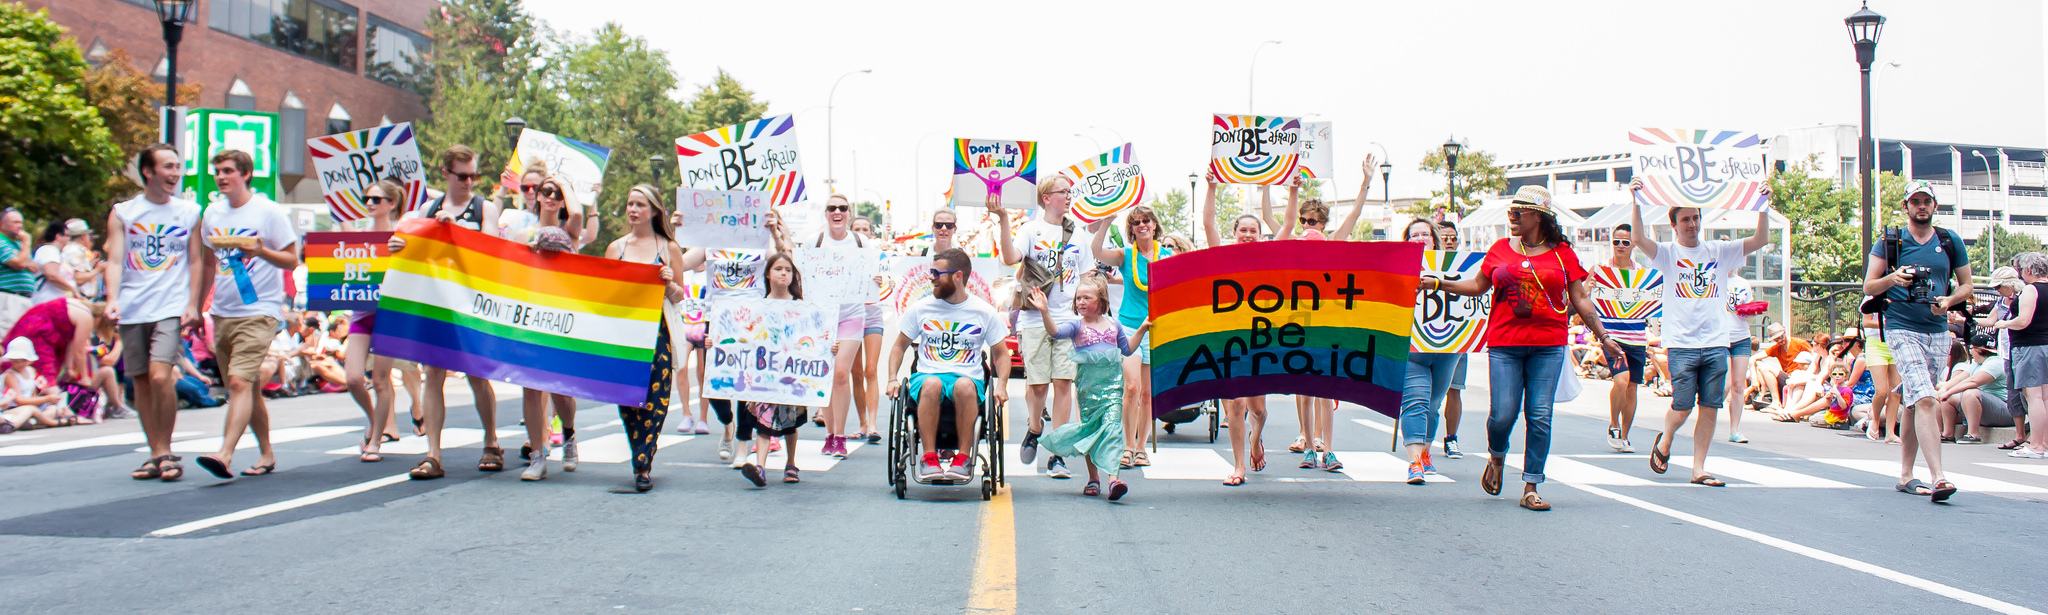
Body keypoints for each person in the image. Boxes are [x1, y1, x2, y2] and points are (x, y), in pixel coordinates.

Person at [1428, 186, 1621, 511]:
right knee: (1502, 414)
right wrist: (1438, 283)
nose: (1512, 217)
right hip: (1505, 344)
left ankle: (1531, 484)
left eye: (1520, 212)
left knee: (1540, 415)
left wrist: (1603, 335)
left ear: (1539, 216)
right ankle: (1497, 456)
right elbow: (1478, 285)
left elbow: (1580, 298)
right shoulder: (1500, 249)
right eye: (1510, 211)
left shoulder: (1562, 254)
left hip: (1549, 346)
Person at [1631, 178, 1772, 487]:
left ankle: (1699, 468)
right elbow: (1638, 238)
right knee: (1681, 408)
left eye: (1695, 218)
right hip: (1681, 344)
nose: (1692, 224)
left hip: (1715, 342)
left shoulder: (1718, 251)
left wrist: (1763, 205)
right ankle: (1666, 438)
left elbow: (1760, 239)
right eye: (1685, 219)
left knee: (1709, 407)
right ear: (1674, 225)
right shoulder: (1667, 253)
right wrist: (1637, 199)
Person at [191, 149, 301, 480]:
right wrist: (197, 309)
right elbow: (208, 263)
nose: (221, 177)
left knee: (238, 383)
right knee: (247, 388)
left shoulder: (268, 212)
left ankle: (224, 454)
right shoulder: (212, 213)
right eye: (217, 172)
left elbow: (292, 260)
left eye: (227, 171)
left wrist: (261, 250)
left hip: (260, 310)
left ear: (246, 174)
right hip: (223, 312)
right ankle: (266, 453)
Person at [1863, 180, 1970, 501]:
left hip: (1937, 329)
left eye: (1927, 201)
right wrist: (1893, 279)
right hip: (1901, 325)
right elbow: (1869, 286)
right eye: (1915, 201)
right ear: (1906, 207)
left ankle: (1906, 474)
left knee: (1914, 398)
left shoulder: (1950, 241)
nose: (1921, 206)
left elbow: (1967, 286)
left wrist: (1949, 301)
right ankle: (1939, 477)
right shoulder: (1891, 241)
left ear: (1935, 206)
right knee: (1925, 398)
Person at [108, 143, 205, 482]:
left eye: (177, 166)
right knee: (141, 383)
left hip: (171, 306)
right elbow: (116, 259)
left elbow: (196, 260)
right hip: (133, 307)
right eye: (167, 166)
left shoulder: (190, 212)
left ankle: (165, 449)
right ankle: (155, 453)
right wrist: (111, 299)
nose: (175, 173)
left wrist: (193, 304)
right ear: (148, 172)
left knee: (162, 376)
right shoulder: (124, 212)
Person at [991, 177, 1091, 478]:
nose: (1068, 196)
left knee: (1064, 383)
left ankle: (1057, 453)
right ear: (1046, 198)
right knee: (1037, 385)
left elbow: (1086, 274)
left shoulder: (1078, 232)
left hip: (1067, 318)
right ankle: (1035, 428)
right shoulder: (1031, 230)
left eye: (1069, 192)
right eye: (1063, 192)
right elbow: (1010, 259)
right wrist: (1004, 219)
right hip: (1035, 316)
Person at [886, 248, 1011, 481]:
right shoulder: (921, 308)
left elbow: (1001, 354)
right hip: (927, 374)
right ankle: (929, 457)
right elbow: (898, 346)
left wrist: (1001, 384)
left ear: (958, 276)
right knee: (932, 384)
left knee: (964, 386)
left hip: (968, 376)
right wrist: (893, 378)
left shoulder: (983, 311)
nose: (930, 277)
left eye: (936, 273)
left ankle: (963, 458)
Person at [605, 185, 687, 491]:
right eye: (630, 204)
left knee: (656, 398)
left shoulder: (669, 248)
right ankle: (638, 449)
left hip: (657, 331)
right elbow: (606, 291)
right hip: (625, 333)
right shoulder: (616, 248)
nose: (633, 210)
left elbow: (680, 295)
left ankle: (643, 462)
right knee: (626, 397)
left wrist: (668, 282)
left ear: (653, 211)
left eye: (640, 204)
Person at [1030, 278, 1140, 501]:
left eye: (1086, 298)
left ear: (1101, 301)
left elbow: (1127, 349)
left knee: (1112, 429)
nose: (1080, 302)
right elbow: (1054, 332)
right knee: (1091, 429)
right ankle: (1093, 478)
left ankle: (1113, 479)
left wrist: (1143, 329)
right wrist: (1044, 312)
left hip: (1112, 388)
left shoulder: (1113, 325)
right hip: (1088, 389)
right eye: (1078, 298)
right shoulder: (1076, 325)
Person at [513, 175, 587, 482]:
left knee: (560, 388)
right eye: (546, 191)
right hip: (531, 312)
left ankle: (568, 435)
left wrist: (566, 184)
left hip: (561, 314)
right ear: (536, 195)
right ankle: (537, 455)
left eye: (557, 192)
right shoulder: (521, 233)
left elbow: (579, 214)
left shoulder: (570, 231)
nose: (552, 196)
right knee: (530, 385)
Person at [1201, 174, 1272, 485]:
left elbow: (1284, 230)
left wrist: (1291, 189)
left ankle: (1256, 439)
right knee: (1237, 404)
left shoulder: (1271, 261)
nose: (1247, 234)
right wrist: (1212, 187)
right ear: (1234, 234)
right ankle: (1239, 465)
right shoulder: (1222, 258)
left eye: (1253, 231)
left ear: (1259, 235)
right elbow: (1207, 224)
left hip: (1261, 339)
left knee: (1259, 410)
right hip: (1228, 341)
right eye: (1242, 230)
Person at [1087, 205, 1169, 471]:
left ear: (1154, 225)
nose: (1142, 225)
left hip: (1157, 328)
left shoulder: (1167, 257)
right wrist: (1105, 223)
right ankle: (1127, 445)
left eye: (1146, 220)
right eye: (1136, 222)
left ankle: (1141, 448)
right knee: (1131, 388)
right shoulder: (1126, 255)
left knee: (1147, 394)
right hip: (1130, 329)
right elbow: (1097, 252)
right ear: (1131, 229)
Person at [341, 180, 409, 462]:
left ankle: (376, 441)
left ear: (391, 204)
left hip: (390, 316)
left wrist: (403, 250)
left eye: (376, 199)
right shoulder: (358, 236)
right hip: (361, 314)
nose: (369, 203)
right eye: (366, 198)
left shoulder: (402, 236)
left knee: (380, 381)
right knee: (354, 378)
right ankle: (373, 421)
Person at [804, 194, 872, 459]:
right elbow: (801, 272)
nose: (837, 212)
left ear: (849, 213)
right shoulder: (815, 241)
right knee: (826, 374)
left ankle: (841, 436)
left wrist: (877, 278)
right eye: (832, 208)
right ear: (826, 213)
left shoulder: (860, 242)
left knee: (842, 372)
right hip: (821, 316)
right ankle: (830, 434)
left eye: (842, 208)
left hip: (851, 314)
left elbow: (876, 270)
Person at [736, 252, 811, 487]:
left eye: (788, 270)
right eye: (778, 269)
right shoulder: (757, 306)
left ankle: (791, 463)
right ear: (768, 273)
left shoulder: (801, 306)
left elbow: (812, 337)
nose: (783, 273)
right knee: (763, 419)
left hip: (791, 372)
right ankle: (760, 466)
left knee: (790, 421)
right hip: (764, 371)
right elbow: (744, 336)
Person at [1591, 222, 1658, 453]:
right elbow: (1584, 296)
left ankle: (1626, 436)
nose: (1620, 246)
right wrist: (1589, 287)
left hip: (1636, 337)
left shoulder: (1641, 272)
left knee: (1632, 387)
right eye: (1616, 241)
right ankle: (1613, 424)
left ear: (1633, 245)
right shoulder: (1600, 270)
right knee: (1620, 380)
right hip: (1612, 337)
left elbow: (1652, 302)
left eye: (1626, 242)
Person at [1400, 219, 1457, 483]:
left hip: (1447, 347)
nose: (1421, 238)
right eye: (1415, 235)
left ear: (1434, 239)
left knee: (1434, 404)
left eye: (1425, 234)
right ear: (1407, 240)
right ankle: (1414, 463)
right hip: (1411, 346)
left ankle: (1425, 453)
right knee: (1415, 401)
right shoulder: (1397, 267)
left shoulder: (1455, 267)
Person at [1993, 252, 2048, 459]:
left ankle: (2036, 445)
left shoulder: (2031, 290)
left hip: (2030, 347)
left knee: (2033, 397)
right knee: (2045, 398)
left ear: (2030, 270)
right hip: (2045, 344)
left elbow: (2023, 320)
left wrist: (2004, 323)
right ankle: (2044, 443)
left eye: (2021, 270)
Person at [1981, 266, 2031, 450]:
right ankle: (2019, 435)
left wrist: (2006, 323)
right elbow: (1990, 321)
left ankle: (2033, 436)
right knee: (2013, 394)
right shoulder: (2001, 301)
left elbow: (2024, 321)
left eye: (1999, 287)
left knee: (2029, 393)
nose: (1997, 291)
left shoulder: (2026, 296)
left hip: (2024, 350)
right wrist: (1964, 320)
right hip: (2007, 351)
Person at [1436, 220, 1468, 458]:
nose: (1449, 242)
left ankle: (1451, 438)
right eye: (1444, 237)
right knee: (1426, 391)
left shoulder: (1468, 267)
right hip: (1425, 336)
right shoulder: (1425, 263)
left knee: (1454, 389)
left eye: (1453, 238)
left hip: (1456, 335)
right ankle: (1421, 437)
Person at [1935, 334, 2005, 444]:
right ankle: (1948, 434)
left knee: (1970, 393)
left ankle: (1973, 434)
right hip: (1983, 407)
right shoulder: (1976, 364)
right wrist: (1945, 389)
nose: (1970, 352)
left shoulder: (1995, 362)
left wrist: (1949, 392)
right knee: (1949, 398)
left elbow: (1974, 381)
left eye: (1971, 349)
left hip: (2003, 409)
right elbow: (1960, 379)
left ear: (1978, 349)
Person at [0, 337, 70, 432]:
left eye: (23, 360)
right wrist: (46, 399)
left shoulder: (31, 371)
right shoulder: (10, 375)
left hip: (30, 406)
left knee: (52, 409)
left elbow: (34, 393)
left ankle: (33, 421)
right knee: (29, 409)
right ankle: (50, 422)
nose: (19, 364)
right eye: (16, 361)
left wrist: (46, 399)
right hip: (15, 408)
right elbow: (18, 400)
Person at [1723, 275, 1762, 443]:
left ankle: (1735, 430)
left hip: (1741, 336)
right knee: (1726, 384)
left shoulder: (1743, 283)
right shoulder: (1715, 278)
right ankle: (1707, 415)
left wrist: (1751, 310)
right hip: (1720, 337)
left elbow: (1747, 310)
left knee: (1739, 386)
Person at [0, 208, 38, 335]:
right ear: (1, 224)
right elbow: (20, 264)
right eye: (15, 222)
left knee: (20, 338)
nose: (20, 226)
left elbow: (33, 267)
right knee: (5, 336)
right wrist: (27, 241)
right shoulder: (1, 241)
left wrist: (22, 260)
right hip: (9, 297)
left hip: (24, 298)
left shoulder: (17, 244)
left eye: (21, 222)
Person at [30, 221, 79, 304]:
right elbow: (52, 275)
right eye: (67, 236)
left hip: (53, 301)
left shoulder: (53, 252)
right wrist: (72, 289)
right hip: (47, 301)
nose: (68, 239)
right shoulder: (49, 250)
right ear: (58, 236)